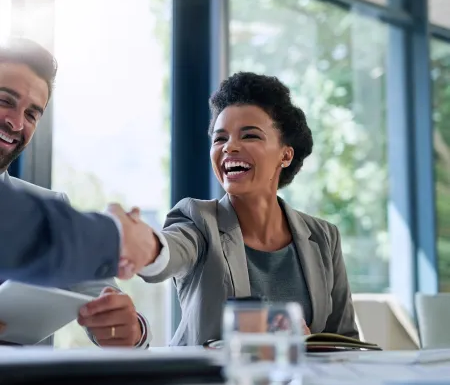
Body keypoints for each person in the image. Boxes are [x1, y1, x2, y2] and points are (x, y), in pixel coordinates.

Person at [138, 72, 359, 346]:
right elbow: (167, 253)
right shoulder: (197, 221)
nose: (229, 147)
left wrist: (306, 345)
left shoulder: (324, 237)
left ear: (285, 155)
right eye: (220, 139)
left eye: (250, 135)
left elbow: (345, 342)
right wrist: (139, 243)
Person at [0, 38, 154, 347]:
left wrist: (129, 329)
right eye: (5, 100)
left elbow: (102, 298)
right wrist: (117, 235)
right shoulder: (46, 222)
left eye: (32, 114)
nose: (16, 122)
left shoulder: (50, 206)